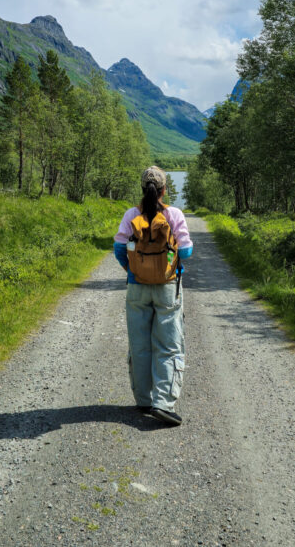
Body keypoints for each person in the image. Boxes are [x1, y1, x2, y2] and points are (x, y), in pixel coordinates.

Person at [112, 166, 193, 426]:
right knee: (169, 345)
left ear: (142, 189)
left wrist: (133, 269)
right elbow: (188, 251)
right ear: (163, 190)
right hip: (168, 287)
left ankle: (144, 399)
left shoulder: (131, 214)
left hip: (136, 287)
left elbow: (118, 248)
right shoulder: (174, 214)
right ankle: (163, 403)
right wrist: (170, 261)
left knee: (140, 344)